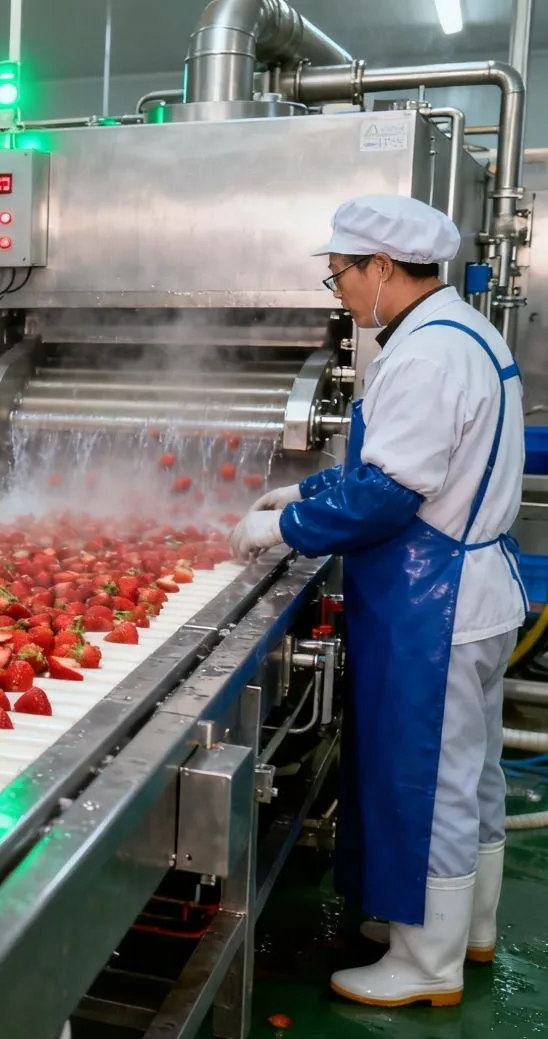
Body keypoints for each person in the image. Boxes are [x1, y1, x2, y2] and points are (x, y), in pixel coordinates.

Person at [229, 194, 527, 1008]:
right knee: (471, 774)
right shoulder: (462, 331)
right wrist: (306, 486)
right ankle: (463, 927)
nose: (344, 296)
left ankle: (424, 962)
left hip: (435, 605)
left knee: (424, 779)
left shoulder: (426, 354)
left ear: (383, 267)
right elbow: (394, 468)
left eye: (341, 278)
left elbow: (390, 496)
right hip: (469, 593)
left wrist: (286, 526)